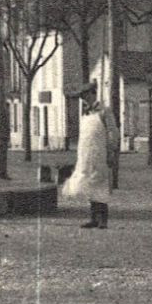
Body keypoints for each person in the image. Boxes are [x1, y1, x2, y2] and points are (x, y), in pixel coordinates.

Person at [60, 82, 115, 229]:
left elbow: (112, 133)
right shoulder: (85, 112)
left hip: (100, 153)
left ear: (92, 93)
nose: (83, 99)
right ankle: (93, 218)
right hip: (86, 154)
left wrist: (111, 151)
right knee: (88, 184)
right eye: (81, 97)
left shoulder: (105, 111)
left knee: (100, 184)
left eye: (85, 96)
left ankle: (103, 219)